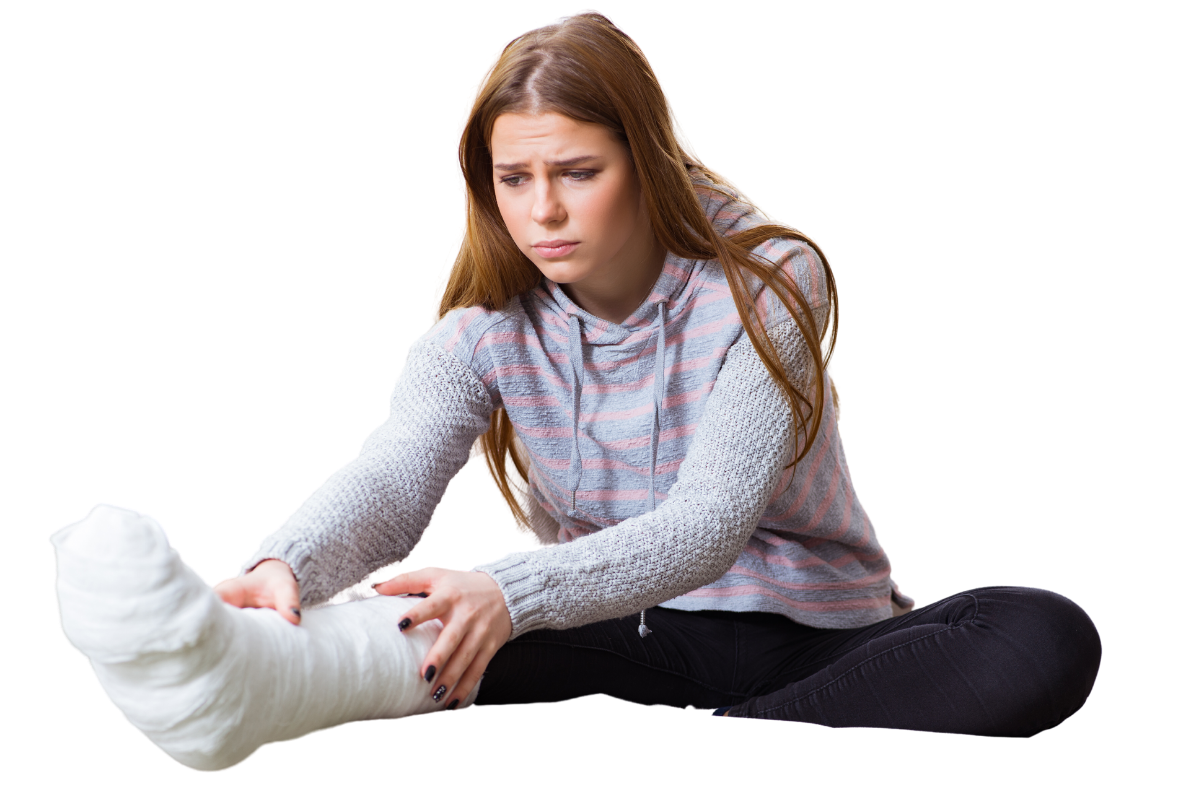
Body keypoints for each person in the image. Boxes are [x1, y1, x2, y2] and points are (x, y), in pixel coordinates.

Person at [215, 9, 1101, 733]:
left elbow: (709, 523)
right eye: (514, 179)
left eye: (577, 172)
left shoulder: (771, 280)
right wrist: (288, 560)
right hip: (626, 639)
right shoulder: (477, 333)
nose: (543, 210)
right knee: (428, 627)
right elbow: (395, 470)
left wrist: (511, 589)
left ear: (643, 161)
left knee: (1043, 634)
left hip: (823, 640)